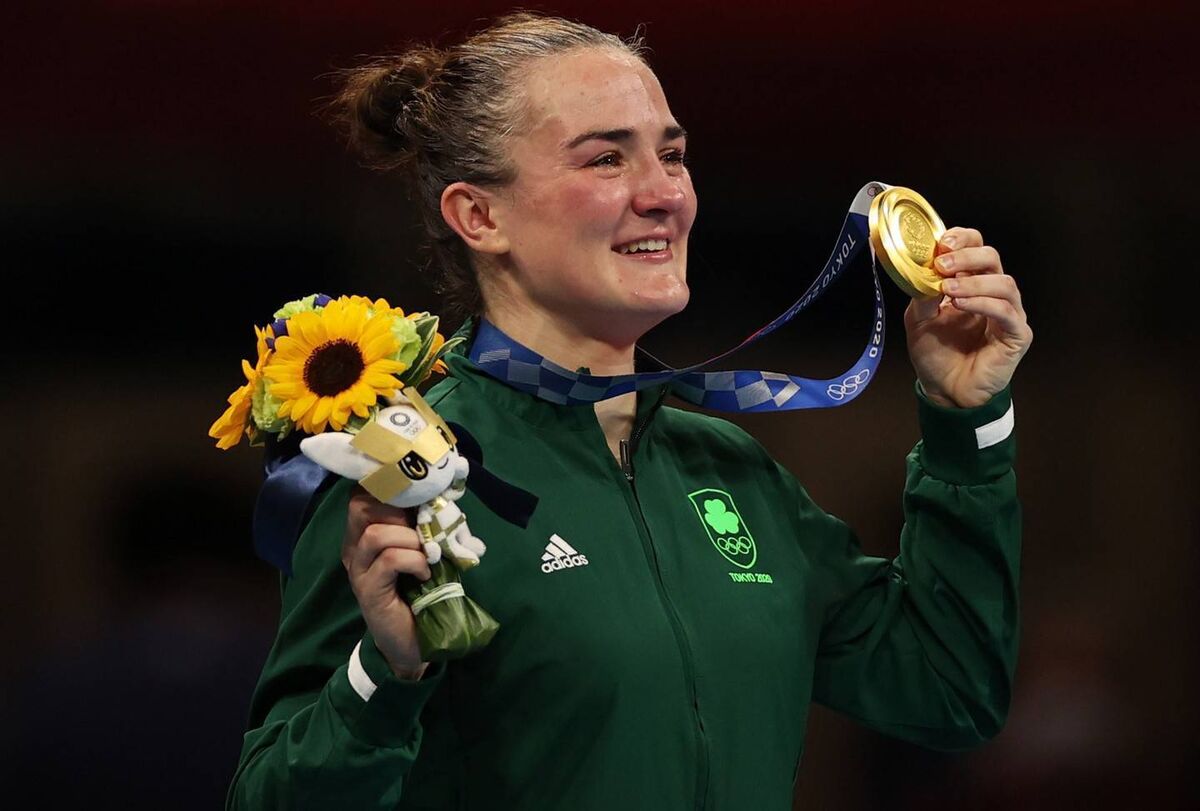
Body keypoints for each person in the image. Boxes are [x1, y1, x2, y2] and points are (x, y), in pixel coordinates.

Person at [227, 12, 1032, 810]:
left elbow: (948, 689)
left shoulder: (728, 469)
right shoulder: (405, 473)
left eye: (673, 155)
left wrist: (967, 422)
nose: (664, 194)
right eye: (607, 158)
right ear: (480, 216)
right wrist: (385, 672)